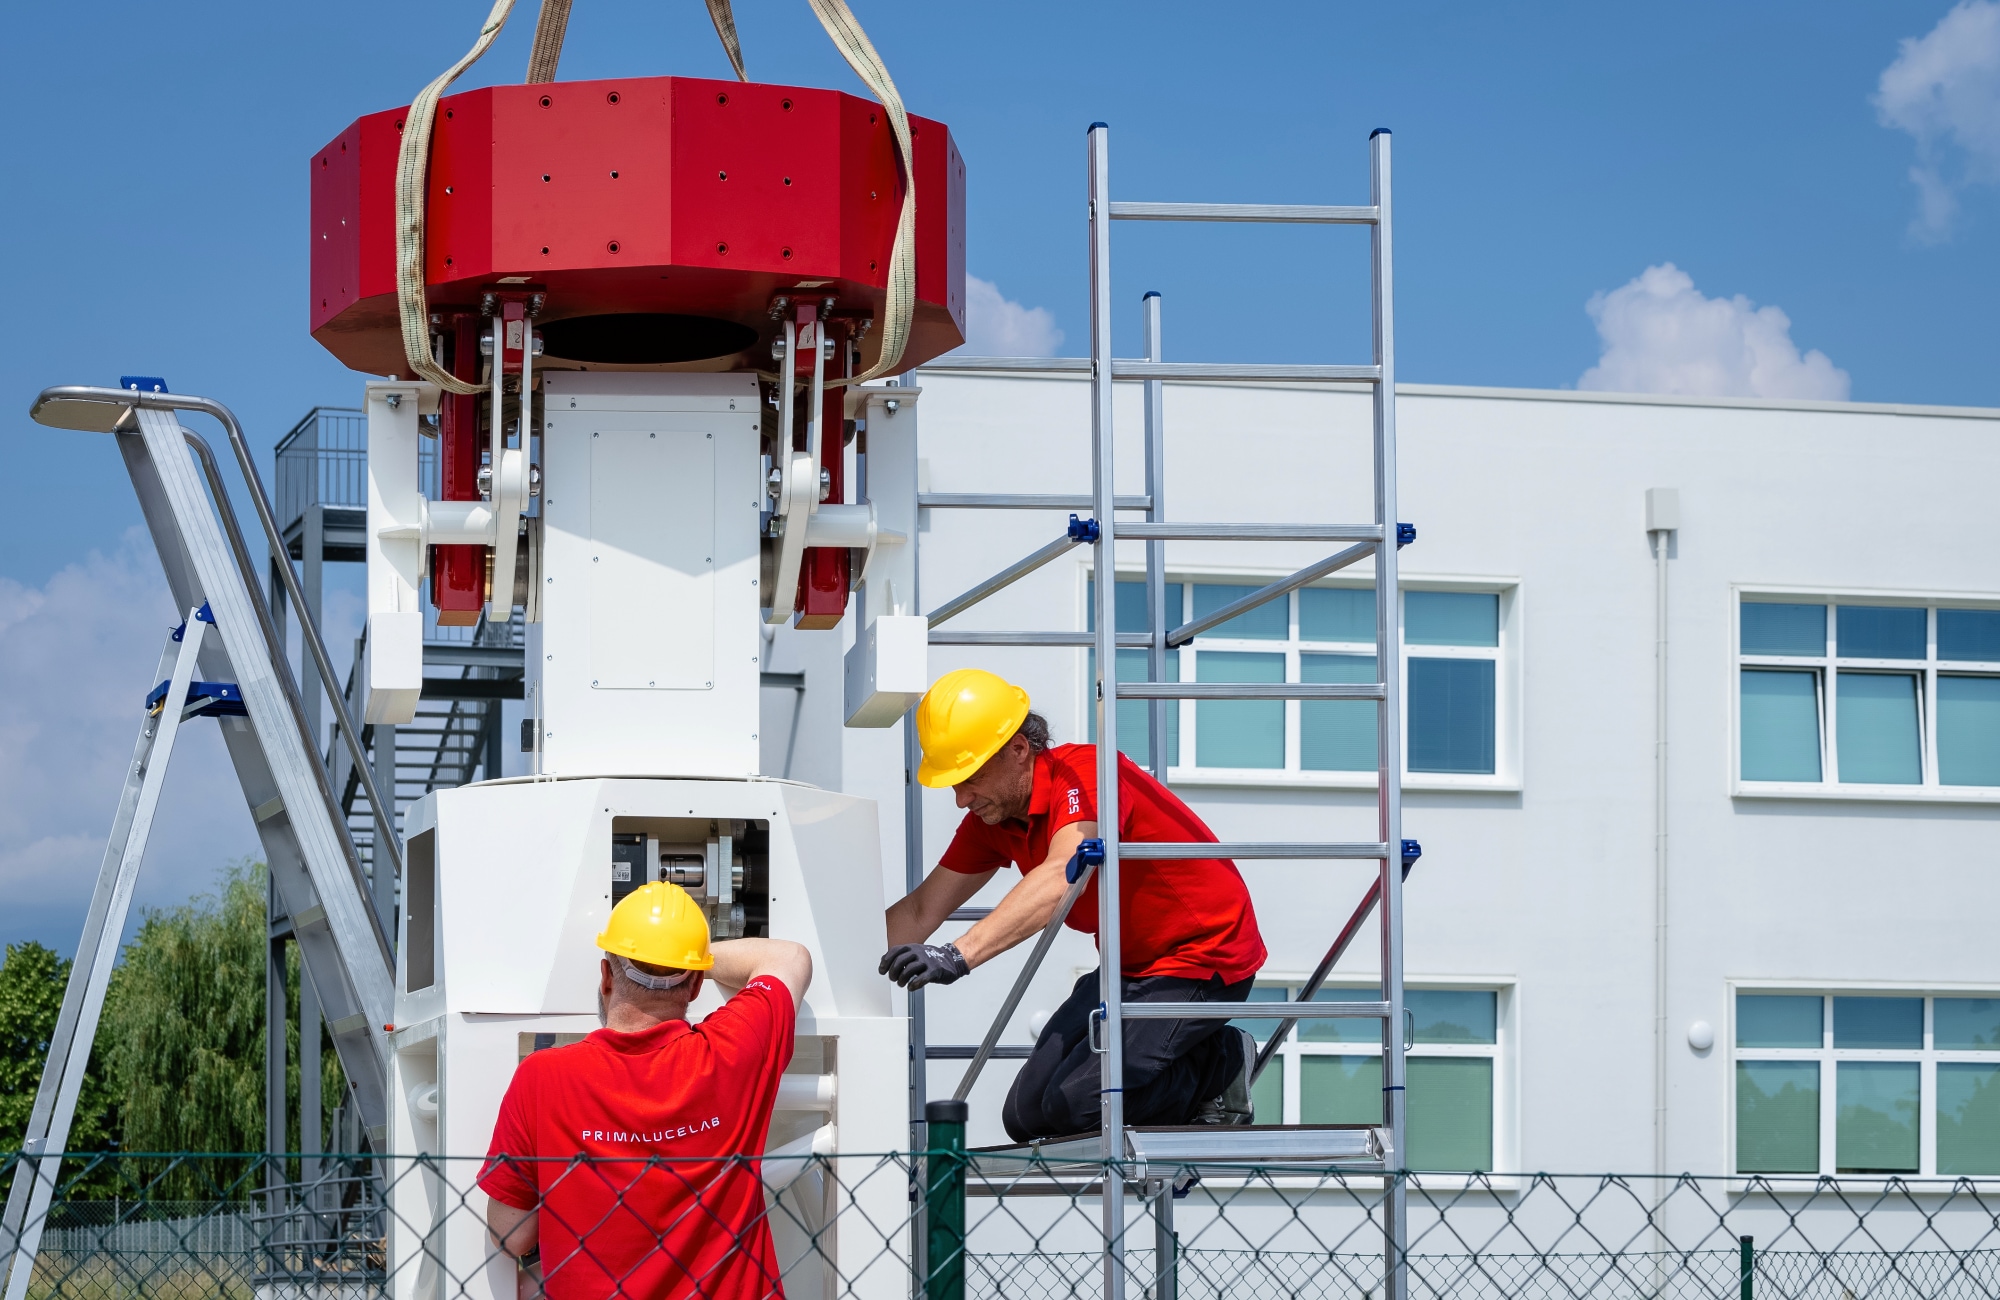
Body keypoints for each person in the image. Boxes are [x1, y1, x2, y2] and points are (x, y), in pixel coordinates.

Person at [881, 668, 1266, 1141]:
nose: (962, 799)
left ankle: (1219, 1065)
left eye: (971, 778)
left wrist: (956, 955)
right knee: (1024, 1118)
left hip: (1202, 958)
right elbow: (922, 910)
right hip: (1130, 966)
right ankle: (1188, 1065)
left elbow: (1063, 875)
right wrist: (818, 975)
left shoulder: (1086, 775)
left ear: (1019, 750)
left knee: (1078, 1108)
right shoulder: (995, 818)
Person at [480, 880, 812, 1300]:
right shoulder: (732, 1052)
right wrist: (682, 960)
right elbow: (789, 956)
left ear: (605, 976)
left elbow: (509, 1234)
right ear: (694, 986)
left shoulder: (541, 1078)